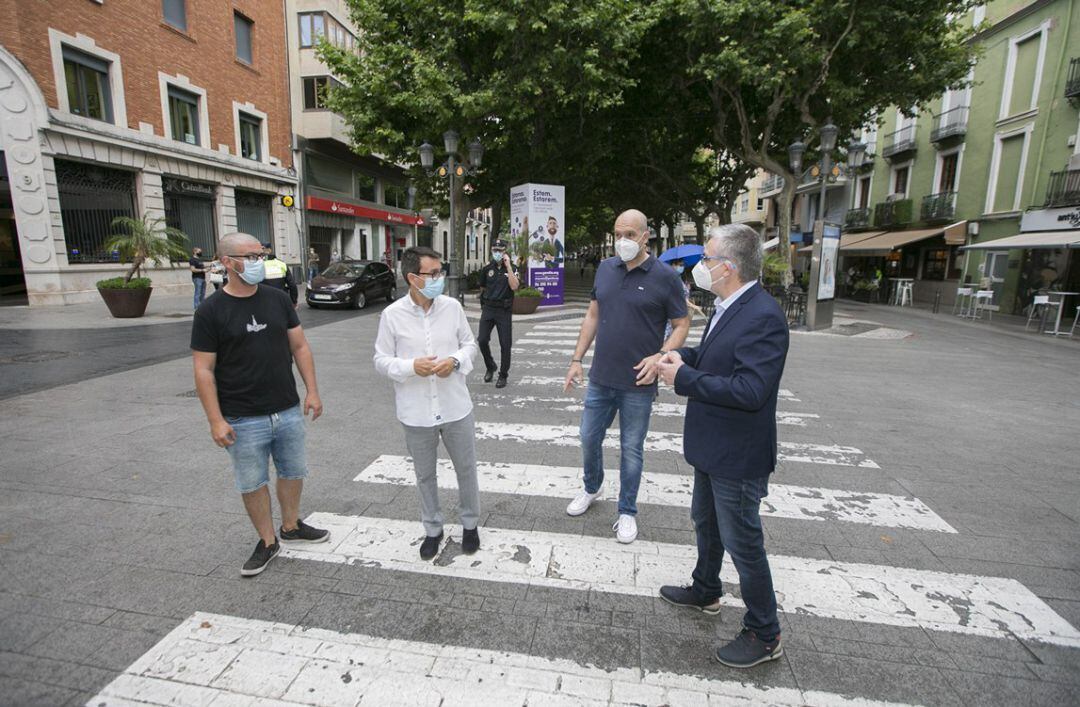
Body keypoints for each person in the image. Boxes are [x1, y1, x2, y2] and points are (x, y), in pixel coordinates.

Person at [655, 223, 789, 669]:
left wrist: (685, 379)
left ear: (728, 267)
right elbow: (719, 357)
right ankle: (706, 589)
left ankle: (765, 633)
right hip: (713, 445)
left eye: (707, 259)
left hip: (738, 453)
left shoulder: (764, 315)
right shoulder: (729, 304)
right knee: (706, 523)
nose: (701, 267)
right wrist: (684, 357)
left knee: (743, 542)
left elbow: (751, 390)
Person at [190, 232, 329, 578]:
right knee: (252, 482)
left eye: (261, 254)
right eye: (250, 256)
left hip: (286, 407)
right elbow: (203, 370)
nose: (258, 261)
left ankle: (292, 525)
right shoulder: (210, 311)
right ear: (227, 263)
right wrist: (215, 421)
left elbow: (300, 347)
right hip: (241, 415)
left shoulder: (277, 299)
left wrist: (312, 390)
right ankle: (268, 541)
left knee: (293, 471)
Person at [563, 210, 690, 543]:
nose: (623, 241)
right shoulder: (605, 269)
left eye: (630, 235)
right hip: (601, 377)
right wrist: (577, 359)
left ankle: (627, 511)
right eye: (618, 234)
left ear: (646, 236)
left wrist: (661, 355)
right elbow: (593, 315)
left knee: (631, 449)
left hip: (639, 382)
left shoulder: (666, 277)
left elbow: (682, 324)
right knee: (588, 436)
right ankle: (592, 487)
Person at [374, 246, 481, 560]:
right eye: (432, 273)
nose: (440, 278)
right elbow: (380, 360)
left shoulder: (452, 308)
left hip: (455, 406)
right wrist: (410, 367)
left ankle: (470, 525)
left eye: (440, 271)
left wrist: (456, 361)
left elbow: (469, 344)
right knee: (424, 475)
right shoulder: (391, 316)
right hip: (416, 411)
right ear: (412, 277)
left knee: (466, 469)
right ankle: (432, 529)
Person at [477, 238, 520, 388]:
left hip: (504, 310)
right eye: (494, 250)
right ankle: (490, 366)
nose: (497, 252)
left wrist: (508, 266)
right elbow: (482, 288)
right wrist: (484, 304)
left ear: (505, 251)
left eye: (500, 250)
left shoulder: (512, 268)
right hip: (489, 309)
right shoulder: (487, 269)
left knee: (505, 344)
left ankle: (503, 375)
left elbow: (514, 287)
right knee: (482, 340)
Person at [262, 243, 298, 308]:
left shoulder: (258, 265)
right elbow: (292, 285)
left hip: (264, 301)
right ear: (270, 250)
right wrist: (294, 301)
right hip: (281, 299)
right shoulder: (282, 264)